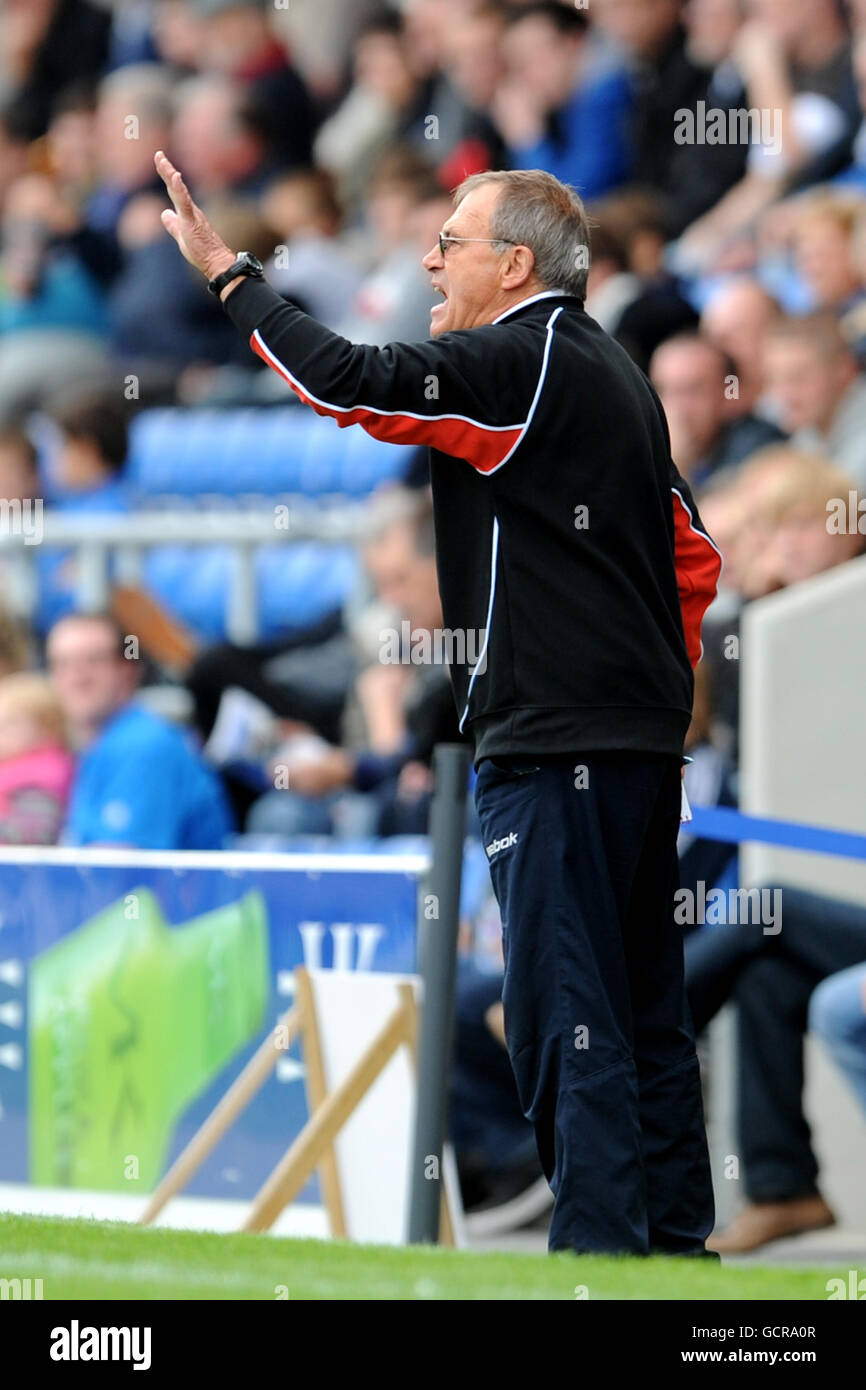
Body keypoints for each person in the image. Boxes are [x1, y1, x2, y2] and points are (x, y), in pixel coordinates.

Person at [154, 150, 722, 1257]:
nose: (426, 256)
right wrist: (646, 681)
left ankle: (601, 1261)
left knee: (566, 1010)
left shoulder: (516, 358)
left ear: (512, 264)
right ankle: (676, 1259)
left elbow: (345, 381)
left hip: (554, 736)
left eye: (449, 240)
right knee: (641, 1008)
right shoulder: (608, 369)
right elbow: (691, 553)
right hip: (632, 742)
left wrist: (231, 276)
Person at [47, 611, 234, 850]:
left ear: (128, 670)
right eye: (62, 664)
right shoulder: (100, 743)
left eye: (93, 661)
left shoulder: (143, 744)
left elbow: (119, 870)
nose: (76, 678)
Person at [0, 671, 74, 844]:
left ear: (46, 728)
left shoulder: (40, 776)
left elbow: (34, 832)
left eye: (10, 724)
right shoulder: (13, 766)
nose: (1, 733)